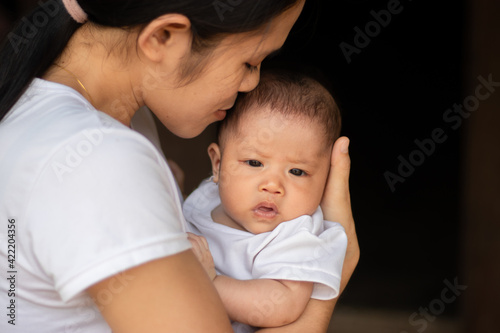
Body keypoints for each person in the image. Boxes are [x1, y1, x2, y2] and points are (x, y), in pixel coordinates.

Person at [0, 0, 359, 332]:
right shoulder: (95, 156)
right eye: (250, 62)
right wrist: (330, 278)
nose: (252, 83)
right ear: (163, 37)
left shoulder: (89, 118)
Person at [185, 70, 347, 332]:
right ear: (217, 164)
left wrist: (212, 283)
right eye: (254, 163)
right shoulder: (206, 197)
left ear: (326, 180)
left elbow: (282, 304)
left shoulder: (298, 235)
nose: (272, 185)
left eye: (297, 171)